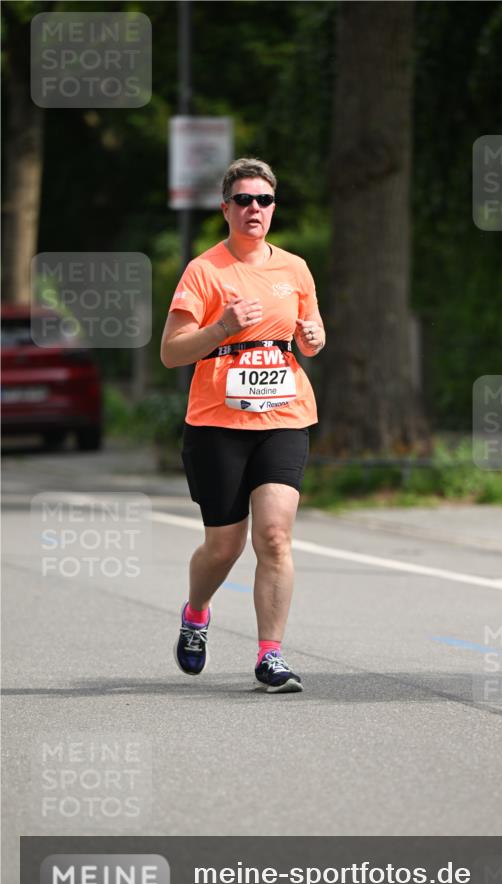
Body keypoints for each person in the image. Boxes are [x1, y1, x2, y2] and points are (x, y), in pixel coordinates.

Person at [160, 157, 325, 693]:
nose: (255, 208)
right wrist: (223, 327)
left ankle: (270, 656)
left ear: (274, 208)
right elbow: (171, 352)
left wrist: (314, 338)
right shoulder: (204, 271)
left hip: (284, 416)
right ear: (226, 209)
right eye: (244, 200)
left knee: (274, 536)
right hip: (217, 424)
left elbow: (310, 331)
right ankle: (197, 612)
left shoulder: (295, 268)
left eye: (265, 200)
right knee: (224, 547)